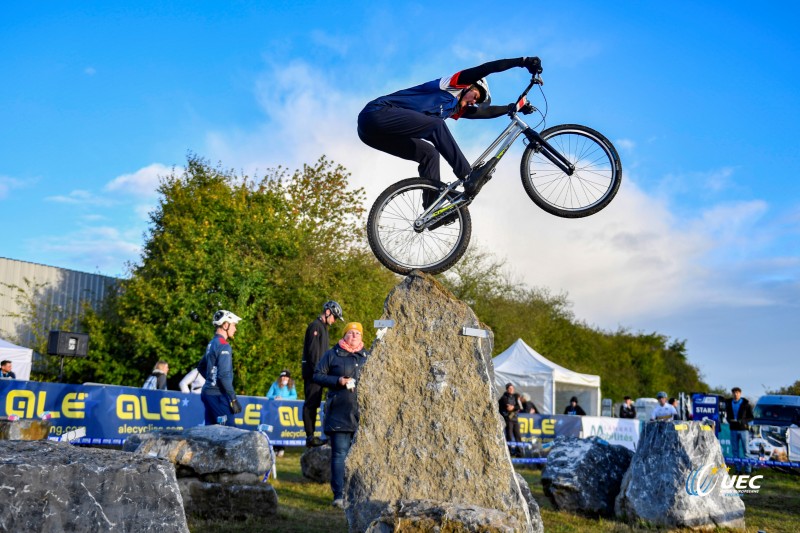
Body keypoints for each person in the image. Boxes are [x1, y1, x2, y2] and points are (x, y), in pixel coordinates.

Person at [357, 57, 542, 198]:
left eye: (477, 101)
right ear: (469, 87)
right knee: (436, 125)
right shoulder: (453, 85)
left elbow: (485, 113)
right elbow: (487, 68)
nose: (474, 102)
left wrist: (517, 106)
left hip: (372, 136)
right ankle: (467, 175)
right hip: (377, 113)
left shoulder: (454, 109)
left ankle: (431, 209)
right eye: (476, 96)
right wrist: (522, 61)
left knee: (429, 154)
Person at [313, 322, 369, 509]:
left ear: (361, 337)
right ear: (344, 336)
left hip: (363, 414)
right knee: (339, 455)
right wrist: (337, 380)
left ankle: (360, 494)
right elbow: (317, 376)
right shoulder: (332, 354)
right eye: (350, 332)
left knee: (362, 456)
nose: (354, 335)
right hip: (339, 412)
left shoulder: (367, 356)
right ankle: (339, 495)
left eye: (357, 333)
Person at [302, 300, 344, 447]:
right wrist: (318, 373)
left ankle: (313, 435)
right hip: (314, 373)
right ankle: (310, 436)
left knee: (316, 404)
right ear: (327, 312)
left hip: (320, 373)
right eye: (334, 317)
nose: (334, 321)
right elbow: (314, 353)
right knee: (311, 404)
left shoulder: (324, 328)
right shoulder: (315, 326)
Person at [199, 310, 243, 427]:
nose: (235, 329)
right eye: (233, 325)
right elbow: (224, 376)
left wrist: (211, 380)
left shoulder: (212, 343)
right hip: (217, 395)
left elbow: (201, 366)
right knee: (230, 433)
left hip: (208, 393)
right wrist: (233, 399)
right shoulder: (224, 345)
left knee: (211, 434)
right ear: (225, 325)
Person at [725, 386, 755, 474]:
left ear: (740, 394)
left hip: (743, 430)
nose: (735, 394)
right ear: (732, 394)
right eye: (734, 392)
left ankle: (748, 470)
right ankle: (738, 470)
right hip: (733, 429)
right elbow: (727, 416)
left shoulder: (746, 404)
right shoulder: (729, 403)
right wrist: (729, 421)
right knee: (735, 450)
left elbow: (751, 417)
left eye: (737, 392)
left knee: (746, 450)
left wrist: (743, 421)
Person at [499, 383, 524, 456]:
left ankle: (519, 452)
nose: (511, 390)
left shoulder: (516, 397)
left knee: (518, 435)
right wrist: (513, 407)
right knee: (509, 436)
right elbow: (508, 408)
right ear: (507, 389)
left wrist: (514, 407)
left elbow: (520, 407)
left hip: (515, 419)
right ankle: (509, 452)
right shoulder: (504, 398)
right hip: (508, 419)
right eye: (510, 388)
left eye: (512, 388)